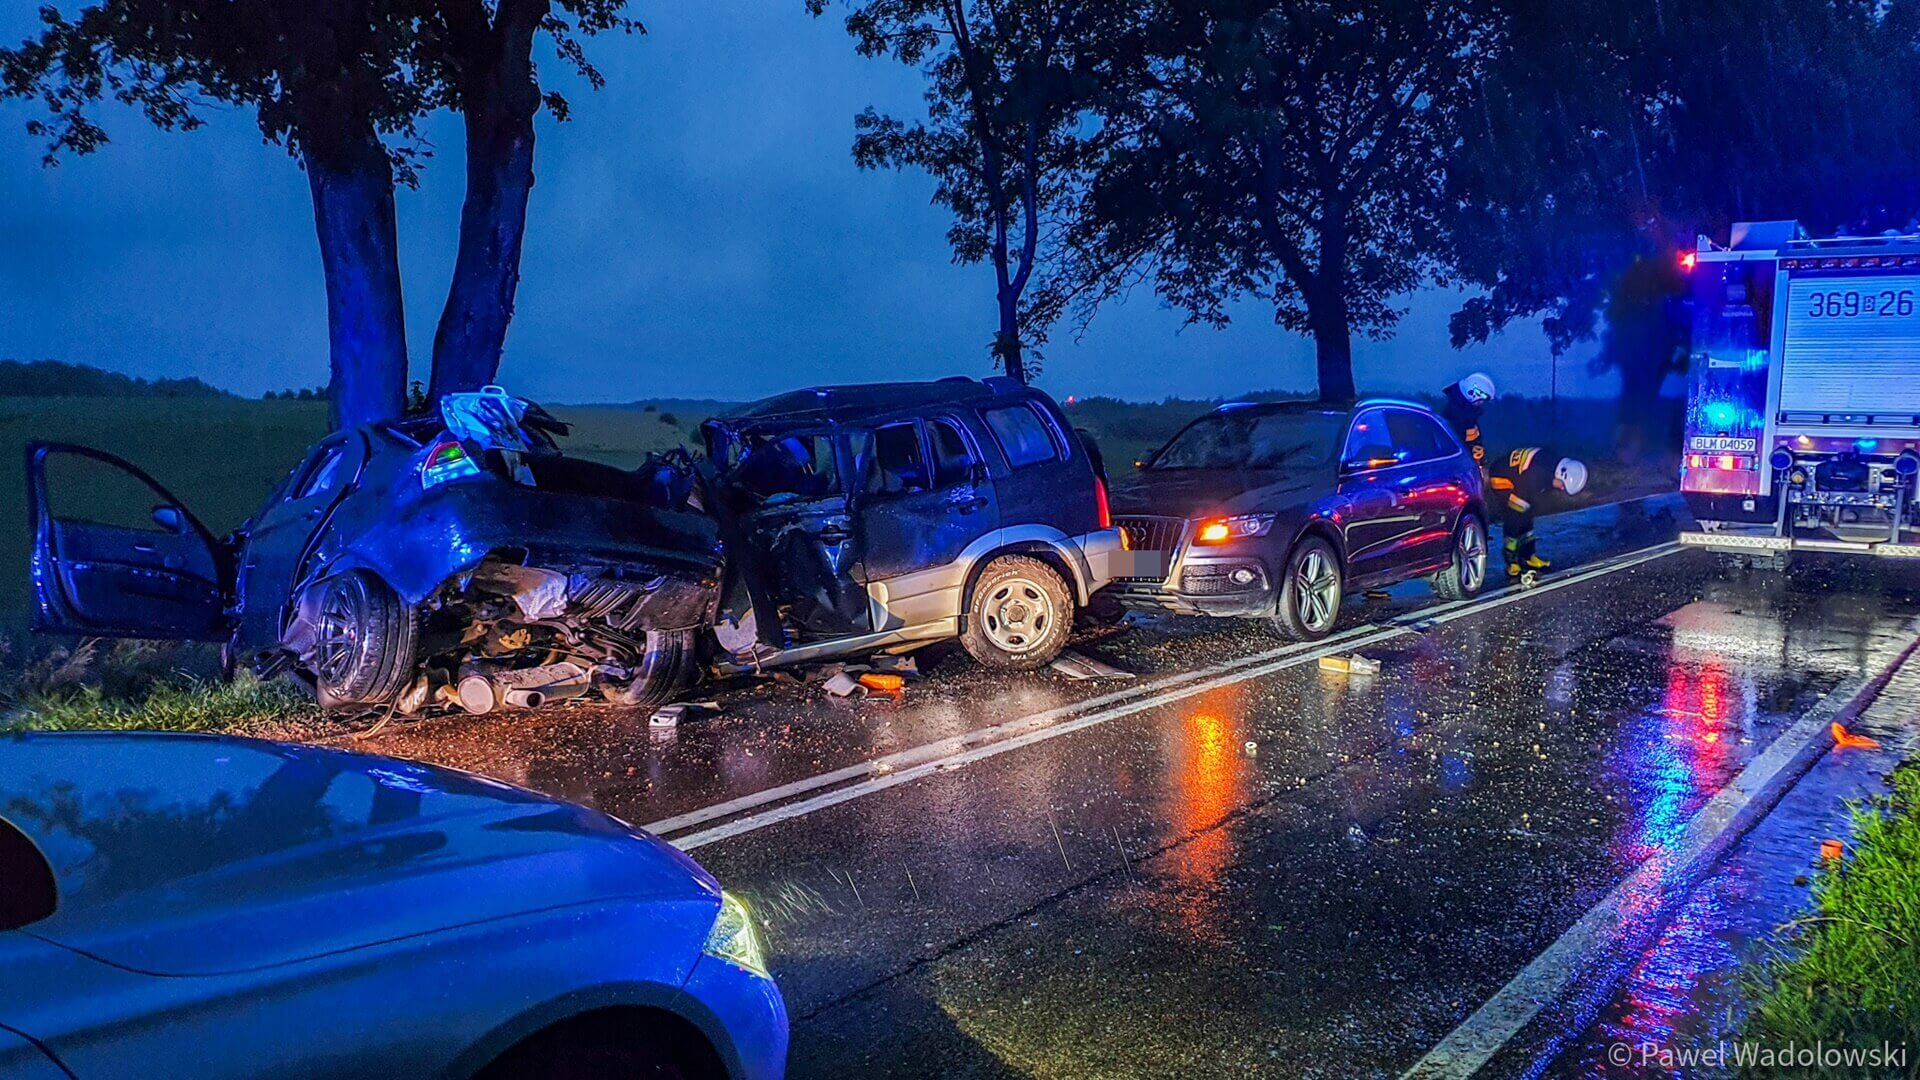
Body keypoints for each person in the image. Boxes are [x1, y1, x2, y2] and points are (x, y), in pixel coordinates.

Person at [1487, 448, 1588, 580]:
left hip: (1519, 476)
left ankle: (1528, 556)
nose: (1562, 489)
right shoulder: (1537, 475)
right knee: (1515, 516)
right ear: (1560, 473)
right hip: (1502, 479)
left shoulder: (1551, 465)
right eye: (1562, 485)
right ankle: (1511, 561)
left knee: (1527, 515)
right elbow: (1523, 495)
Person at [1440, 372, 1495, 472]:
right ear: (1473, 393)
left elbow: (1474, 442)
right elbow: (1457, 447)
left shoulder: (1469, 416)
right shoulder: (1456, 417)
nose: (1482, 403)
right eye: (1482, 398)